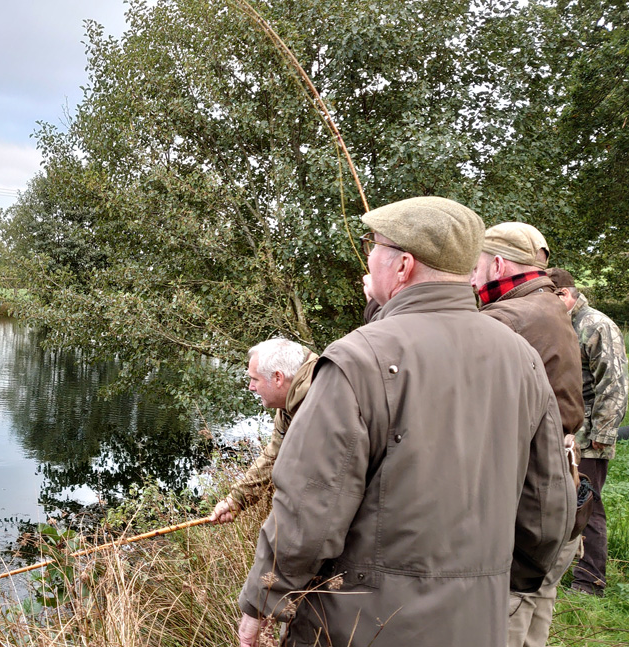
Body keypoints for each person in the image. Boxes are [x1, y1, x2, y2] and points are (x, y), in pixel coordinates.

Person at [237, 197, 575, 647]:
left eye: (372, 245)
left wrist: (263, 599)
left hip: (363, 626)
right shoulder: (523, 359)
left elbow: (308, 507)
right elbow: (548, 511)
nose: (368, 257)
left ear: (402, 266)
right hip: (478, 623)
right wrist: (492, 583)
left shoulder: (356, 360)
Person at [469, 222, 585, 647]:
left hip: (527, 502)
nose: (472, 276)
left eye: (477, 266)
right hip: (561, 491)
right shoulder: (549, 304)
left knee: (509, 614)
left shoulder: (506, 317)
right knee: (538, 604)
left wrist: (381, 302)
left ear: (498, 263)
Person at [548, 267, 629, 596]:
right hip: (564, 436)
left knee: (588, 506)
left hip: (590, 439)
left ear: (564, 295)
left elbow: (615, 382)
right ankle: (561, 568)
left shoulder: (596, 324)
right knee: (563, 503)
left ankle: (589, 581)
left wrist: (603, 433)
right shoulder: (561, 323)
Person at [210, 338, 318, 524]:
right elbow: (274, 456)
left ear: (278, 378)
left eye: (255, 379)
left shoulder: (319, 402)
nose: (251, 387)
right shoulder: (288, 404)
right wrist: (236, 499)